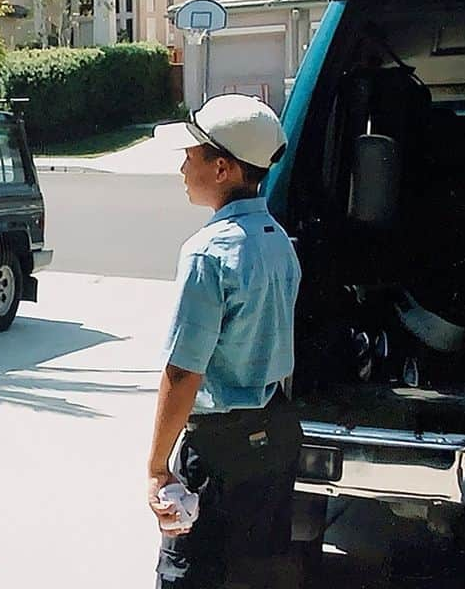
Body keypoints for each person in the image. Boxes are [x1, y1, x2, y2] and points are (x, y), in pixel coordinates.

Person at [146, 94, 303, 589]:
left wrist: (156, 467)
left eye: (192, 155)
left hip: (219, 449)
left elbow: (184, 371)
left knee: (189, 576)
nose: (183, 165)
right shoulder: (278, 240)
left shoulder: (207, 253)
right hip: (274, 435)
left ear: (222, 169)